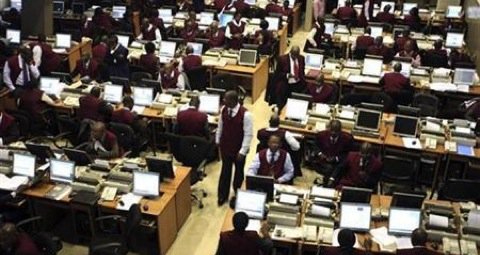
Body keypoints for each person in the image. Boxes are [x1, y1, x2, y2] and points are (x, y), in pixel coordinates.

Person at [216, 91, 253, 206]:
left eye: (226, 99)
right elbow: (220, 126)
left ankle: (238, 194)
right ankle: (222, 195)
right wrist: (218, 140)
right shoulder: (224, 110)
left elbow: (248, 134)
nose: (223, 101)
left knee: (238, 173)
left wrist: (243, 151)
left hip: (239, 150)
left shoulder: (246, 115)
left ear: (233, 101)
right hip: (226, 147)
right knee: (225, 171)